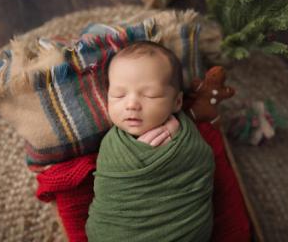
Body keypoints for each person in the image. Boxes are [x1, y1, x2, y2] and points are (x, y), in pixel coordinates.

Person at [86, 41, 215, 242]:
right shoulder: (112, 146)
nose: (131, 105)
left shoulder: (189, 138)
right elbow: (110, 190)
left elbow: (202, 163)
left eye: (150, 95)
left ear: (177, 102)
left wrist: (177, 149)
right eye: (118, 95)